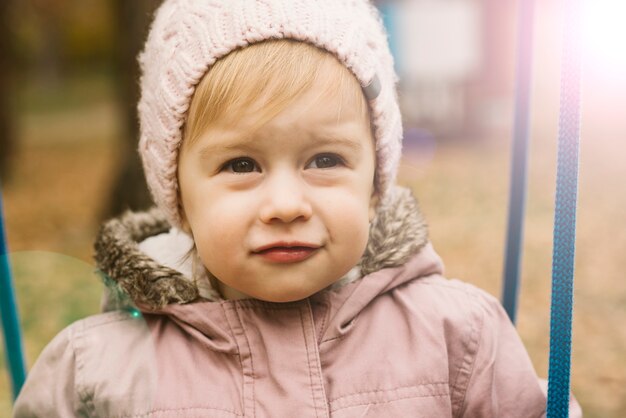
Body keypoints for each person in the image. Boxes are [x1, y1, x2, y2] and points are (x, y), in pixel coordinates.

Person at [14, 0, 582, 416]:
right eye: (241, 165)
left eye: (325, 159)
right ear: (178, 195)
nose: (285, 205)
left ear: (375, 181)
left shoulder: (459, 337)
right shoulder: (94, 374)